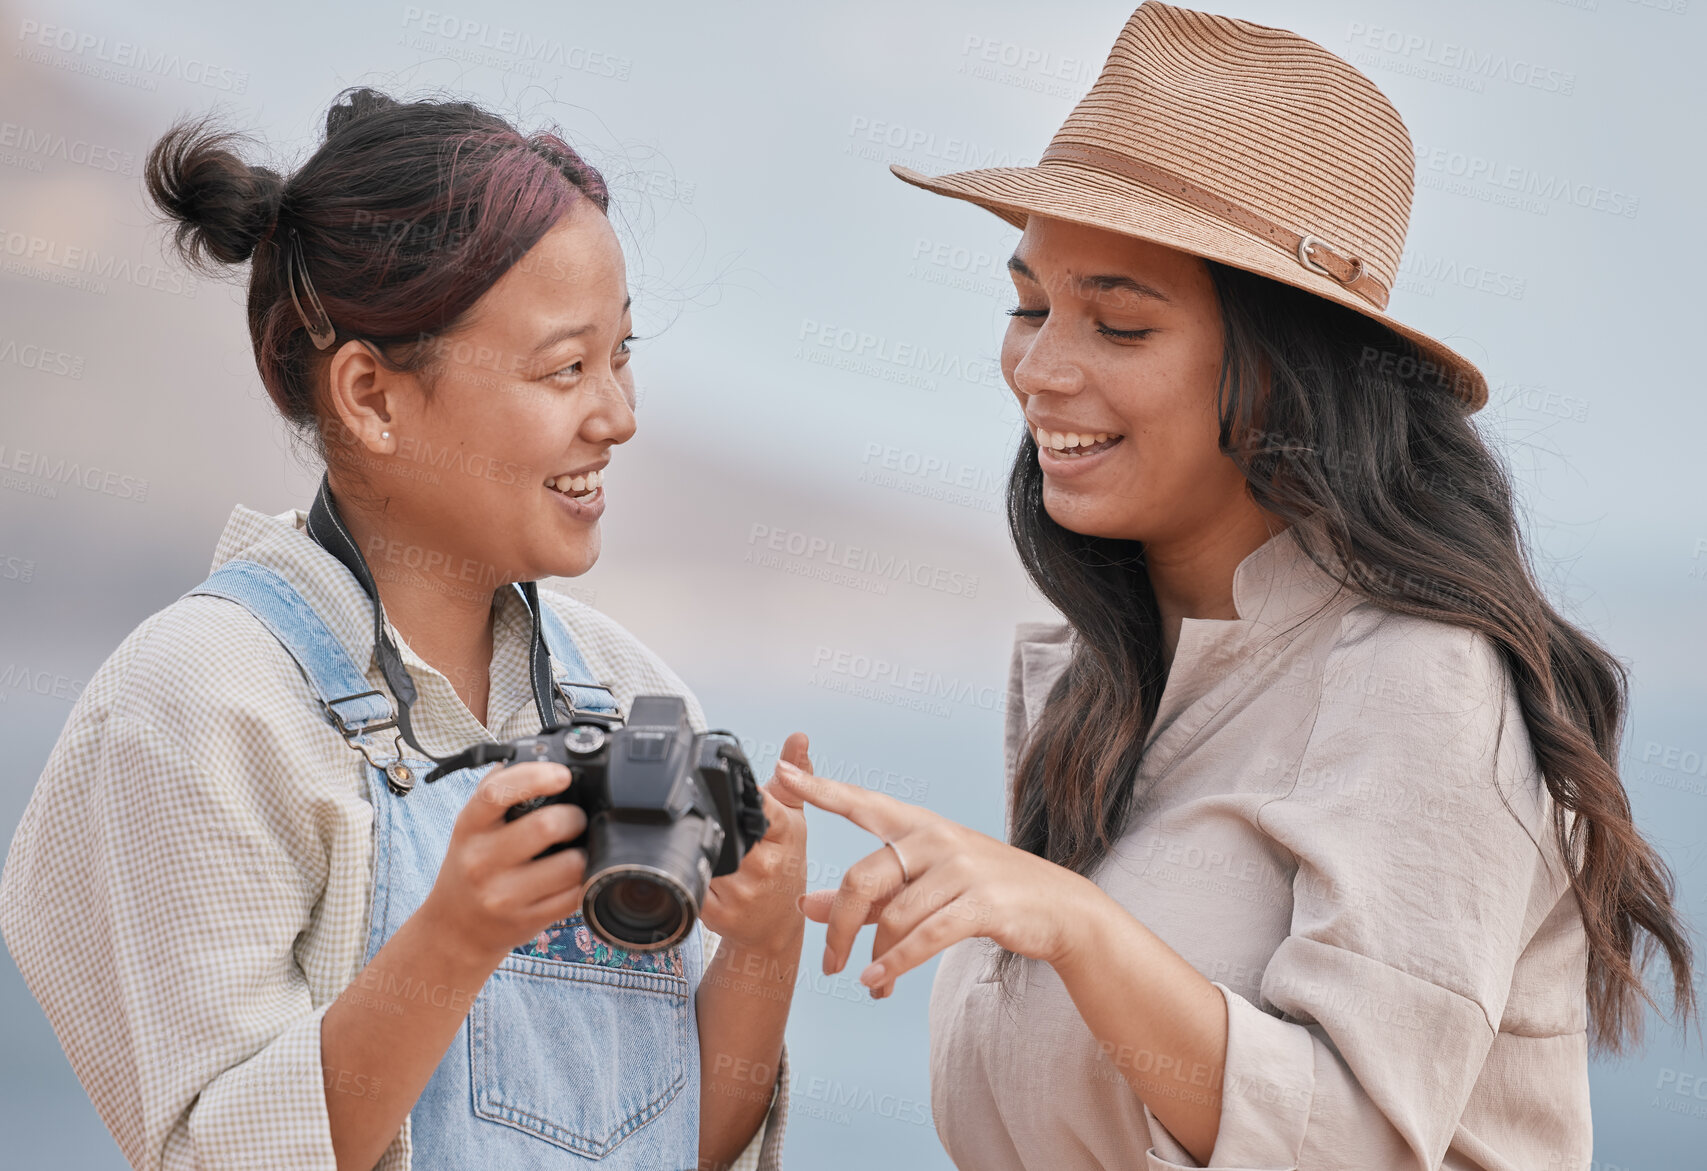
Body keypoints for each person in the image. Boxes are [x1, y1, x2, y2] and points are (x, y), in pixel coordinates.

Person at [773, 4, 1696, 1169]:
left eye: (1116, 322)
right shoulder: (1091, 678)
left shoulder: (1419, 678)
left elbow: (1351, 1141)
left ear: (1283, 370)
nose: (1040, 370)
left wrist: (1071, 922)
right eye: (1028, 306)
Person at [0, 88, 803, 1171]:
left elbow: (681, 1148)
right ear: (372, 396)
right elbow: (219, 1157)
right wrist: (455, 937)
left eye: (622, 354)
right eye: (567, 367)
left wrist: (764, 939)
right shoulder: (200, 702)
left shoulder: (626, 690)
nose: (618, 415)